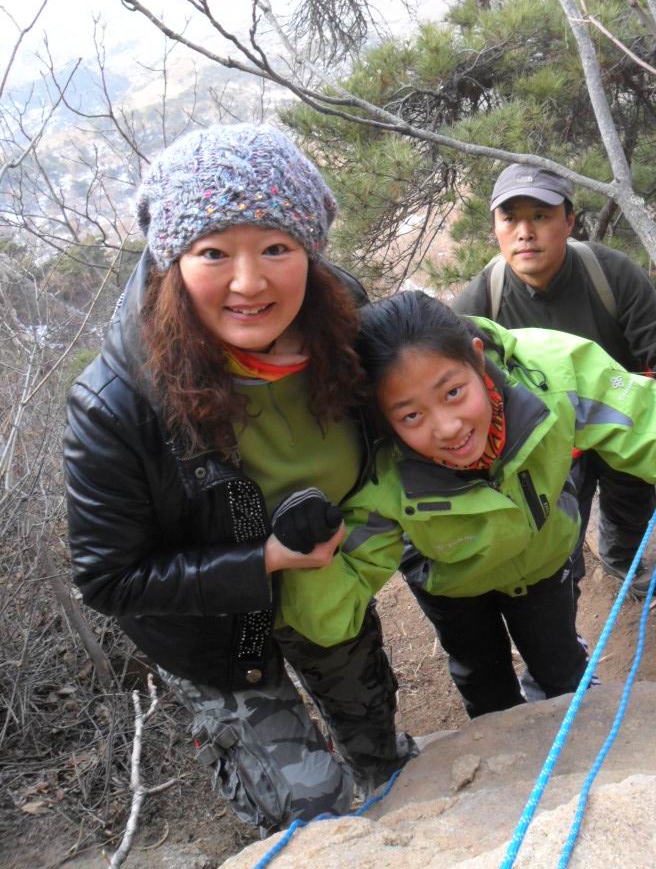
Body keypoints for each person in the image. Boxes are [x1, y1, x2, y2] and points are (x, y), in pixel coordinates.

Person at [64, 123, 414, 836]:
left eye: (276, 248)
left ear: (310, 253)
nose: (249, 283)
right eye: (214, 251)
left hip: (327, 589)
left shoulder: (345, 333)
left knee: (387, 760)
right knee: (308, 810)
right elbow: (110, 579)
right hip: (216, 632)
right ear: (172, 260)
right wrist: (265, 560)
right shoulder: (119, 402)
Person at [276, 291, 656, 720]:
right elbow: (334, 606)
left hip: (544, 557)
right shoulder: (380, 470)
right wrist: (306, 557)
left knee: (560, 665)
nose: (447, 427)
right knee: (484, 684)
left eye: (452, 392)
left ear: (476, 358)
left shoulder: (556, 375)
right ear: (383, 418)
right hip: (453, 584)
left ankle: (567, 709)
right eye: (411, 415)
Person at [452, 163, 656, 597]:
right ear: (495, 227)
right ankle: (561, 582)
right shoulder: (481, 301)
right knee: (553, 520)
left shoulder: (609, 273)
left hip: (621, 418)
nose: (525, 232)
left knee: (631, 500)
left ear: (568, 221)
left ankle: (621, 560)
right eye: (510, 218)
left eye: (541, 215)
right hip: (544, 437)